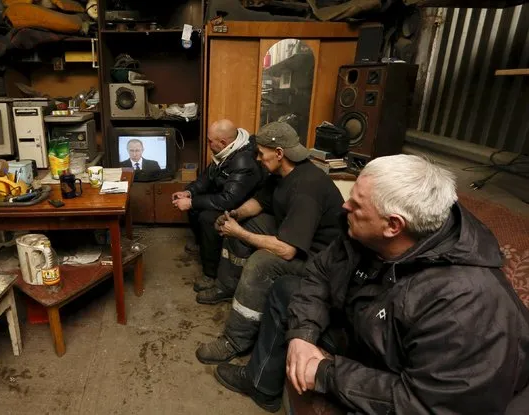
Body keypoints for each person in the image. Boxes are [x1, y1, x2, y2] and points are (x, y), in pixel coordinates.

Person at [213, 154, 529, 414]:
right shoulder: (363, 233)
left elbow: (428, 405)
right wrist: (303, 335)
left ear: (393, 225)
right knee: (286, 289)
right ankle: (262, 385)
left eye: (357, 204)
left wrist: (325, 373)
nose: (345, 206)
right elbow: (320, 273)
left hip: (407, 373)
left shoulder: (468, 306)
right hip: (368, 326)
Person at [195, 121, 344, 367]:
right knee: (248, 224)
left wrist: (240, 233)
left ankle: (235, 340)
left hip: (319, 261)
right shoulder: (280, 173)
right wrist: (235, 216)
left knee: (261, 263)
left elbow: (287, 250)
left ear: (279, 153)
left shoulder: (307, 186)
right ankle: (227, 285)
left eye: (261, 154)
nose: (258, 158)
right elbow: (260, 202)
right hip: (295, 239)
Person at [172, 119, 263, 292]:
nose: (207, 144)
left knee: (207, 218)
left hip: (242, 206)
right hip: (227, 197)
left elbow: (229, 200)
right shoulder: (226, 151)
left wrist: (191, 203)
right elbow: (206, 178)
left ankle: (211, 275)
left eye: (209, 141)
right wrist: (189, 193)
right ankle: (202, 244)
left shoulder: (243, 161)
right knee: (195, 205)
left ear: (223, 142)